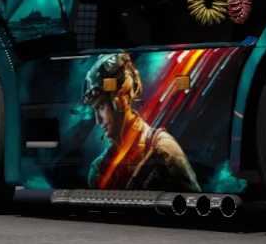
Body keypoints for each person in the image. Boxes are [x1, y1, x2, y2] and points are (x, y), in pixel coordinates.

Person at [82, 52, 201, 192]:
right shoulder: (99, 170)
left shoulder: (163, 150)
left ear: (120, 100)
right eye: (95, 109)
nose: (98, 121)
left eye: (101, 107)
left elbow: (192, 200)